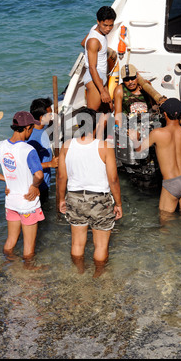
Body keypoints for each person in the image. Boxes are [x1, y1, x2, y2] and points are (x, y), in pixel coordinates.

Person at [58, 107, 122, 276]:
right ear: (95, 125)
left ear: (79, 124)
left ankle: (79, 272)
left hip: (74, 197)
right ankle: (98, 275)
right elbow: (113, 179)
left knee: (77, 244)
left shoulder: (66, 146)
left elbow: (61, 177)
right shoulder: (104, 147)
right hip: (99, 199)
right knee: (100, 245)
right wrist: (119, 203)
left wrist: (61, 200)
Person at [0, 111, 44, 265]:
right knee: (29, 247)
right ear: (27, 128)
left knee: (10, 242)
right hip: (28, 203)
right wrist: (35, 186)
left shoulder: (0, 146)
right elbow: (39, 175)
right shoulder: (28, 150)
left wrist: (6, 178)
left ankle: (8, 265)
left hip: (11, 202)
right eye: (32, 128)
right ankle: (28, 271)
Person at [130, 98, 181, 213]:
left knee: (165, 224)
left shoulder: (157, 133)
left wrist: (135, 138)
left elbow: (139, 150)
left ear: (164, 114)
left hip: (171, 182)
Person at [81, 6, 117, 112]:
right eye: (105, 25)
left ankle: (99, 129)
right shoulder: (94, 40)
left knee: (109, 110)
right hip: (94, 78)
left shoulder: (94, 28)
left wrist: (95, 51)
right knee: (90, 115)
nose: (108, 29)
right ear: (98, 21)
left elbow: (83, 43)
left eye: (111, 25)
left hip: (100, 77)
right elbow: (92, 68)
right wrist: (102, 91)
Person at [28, 97, 59, 206]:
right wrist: (50, 164)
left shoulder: (43, 128)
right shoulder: (32, 137)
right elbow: (27, 165)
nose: (52, 116)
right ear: (42, 117)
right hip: (35, 187)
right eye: (50, 114)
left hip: (45, 184)